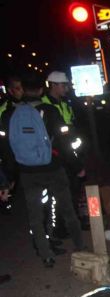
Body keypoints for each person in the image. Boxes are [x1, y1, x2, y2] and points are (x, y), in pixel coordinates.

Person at [0, 73, 85, 268]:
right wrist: (77, 167)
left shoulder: (8, 115)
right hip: (53, 168)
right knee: (67, 209)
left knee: (35, 215)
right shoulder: (50, 111)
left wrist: (10, 178)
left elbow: (6, 149)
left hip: (27, 171)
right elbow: (63, 143)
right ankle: (80, 247)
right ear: (41, 90)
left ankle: (45, 255)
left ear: (22, 89)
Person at [41, 71, 89, 229]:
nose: (66, 88)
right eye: (63, 85)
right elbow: (58, 137)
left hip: (70, 154)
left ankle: (72, 222)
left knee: (73, 190)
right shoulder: (44, 105)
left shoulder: (64, 103)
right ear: (53, 85)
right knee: (57, 194)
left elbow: (71, 129)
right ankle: (60, 226)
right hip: (56, 157)